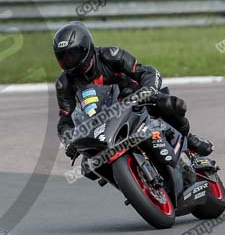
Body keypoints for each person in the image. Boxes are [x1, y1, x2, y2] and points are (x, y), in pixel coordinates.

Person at [52, 22, 214, 171]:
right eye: (63, 58)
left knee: (173, 105)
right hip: (100, 124)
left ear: (86, 48)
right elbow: (64, 119)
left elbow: (147, 72)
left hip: (136, 104)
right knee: (89, 166)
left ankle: (189, 143)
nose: (69, 61)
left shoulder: (110, 55)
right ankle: (133, 182)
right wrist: (69, 140)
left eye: (72, 55)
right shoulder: (64, 83)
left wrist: (148, 90)